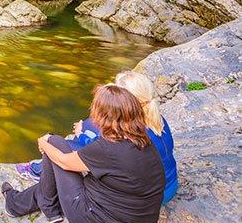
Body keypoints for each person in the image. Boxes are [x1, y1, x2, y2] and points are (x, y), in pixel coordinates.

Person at [2, 84, 165, 223]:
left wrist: (44, 142)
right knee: (56, 175)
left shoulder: (108, 149)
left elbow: (63, 161)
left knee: (55, 143)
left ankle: (29, 206)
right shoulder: (144, 141)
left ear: (102, 115)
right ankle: (38, 204)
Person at [16, 71, 179, 205]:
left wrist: (82, 134)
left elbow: (105, 154)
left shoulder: (130, 135)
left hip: (151, 198)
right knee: (90, 128)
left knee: (76, 141)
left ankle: (39, 170)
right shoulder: (156, 118)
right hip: (169, 186)